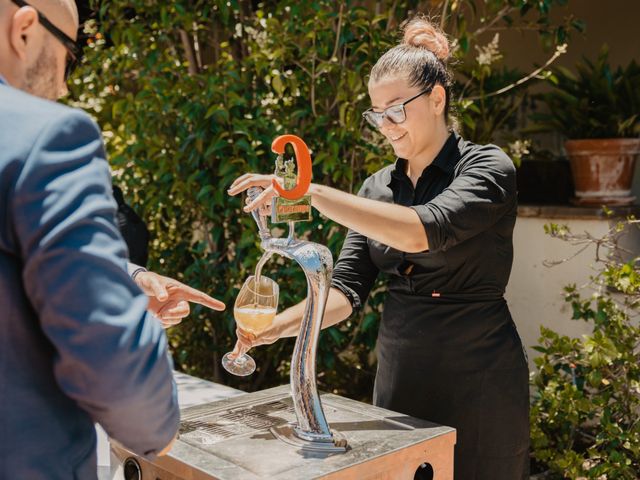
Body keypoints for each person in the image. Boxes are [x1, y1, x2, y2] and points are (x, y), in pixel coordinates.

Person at [228, 15, 529, 480]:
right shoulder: (376, 188)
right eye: (377, 114)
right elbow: (346, 291)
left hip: (480, 373)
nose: (386, 125)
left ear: (436, 98)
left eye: (396, 110)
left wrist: (307, 190)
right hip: (401, 368)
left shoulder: (487, 167)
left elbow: (421, 230)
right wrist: (277, 328)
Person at [0, 0, 222, 477]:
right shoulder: (47, 136)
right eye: (70, 55)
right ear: (23, 32)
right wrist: (158, 424)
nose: (63, 84)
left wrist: (126, 277)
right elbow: (109, 355)